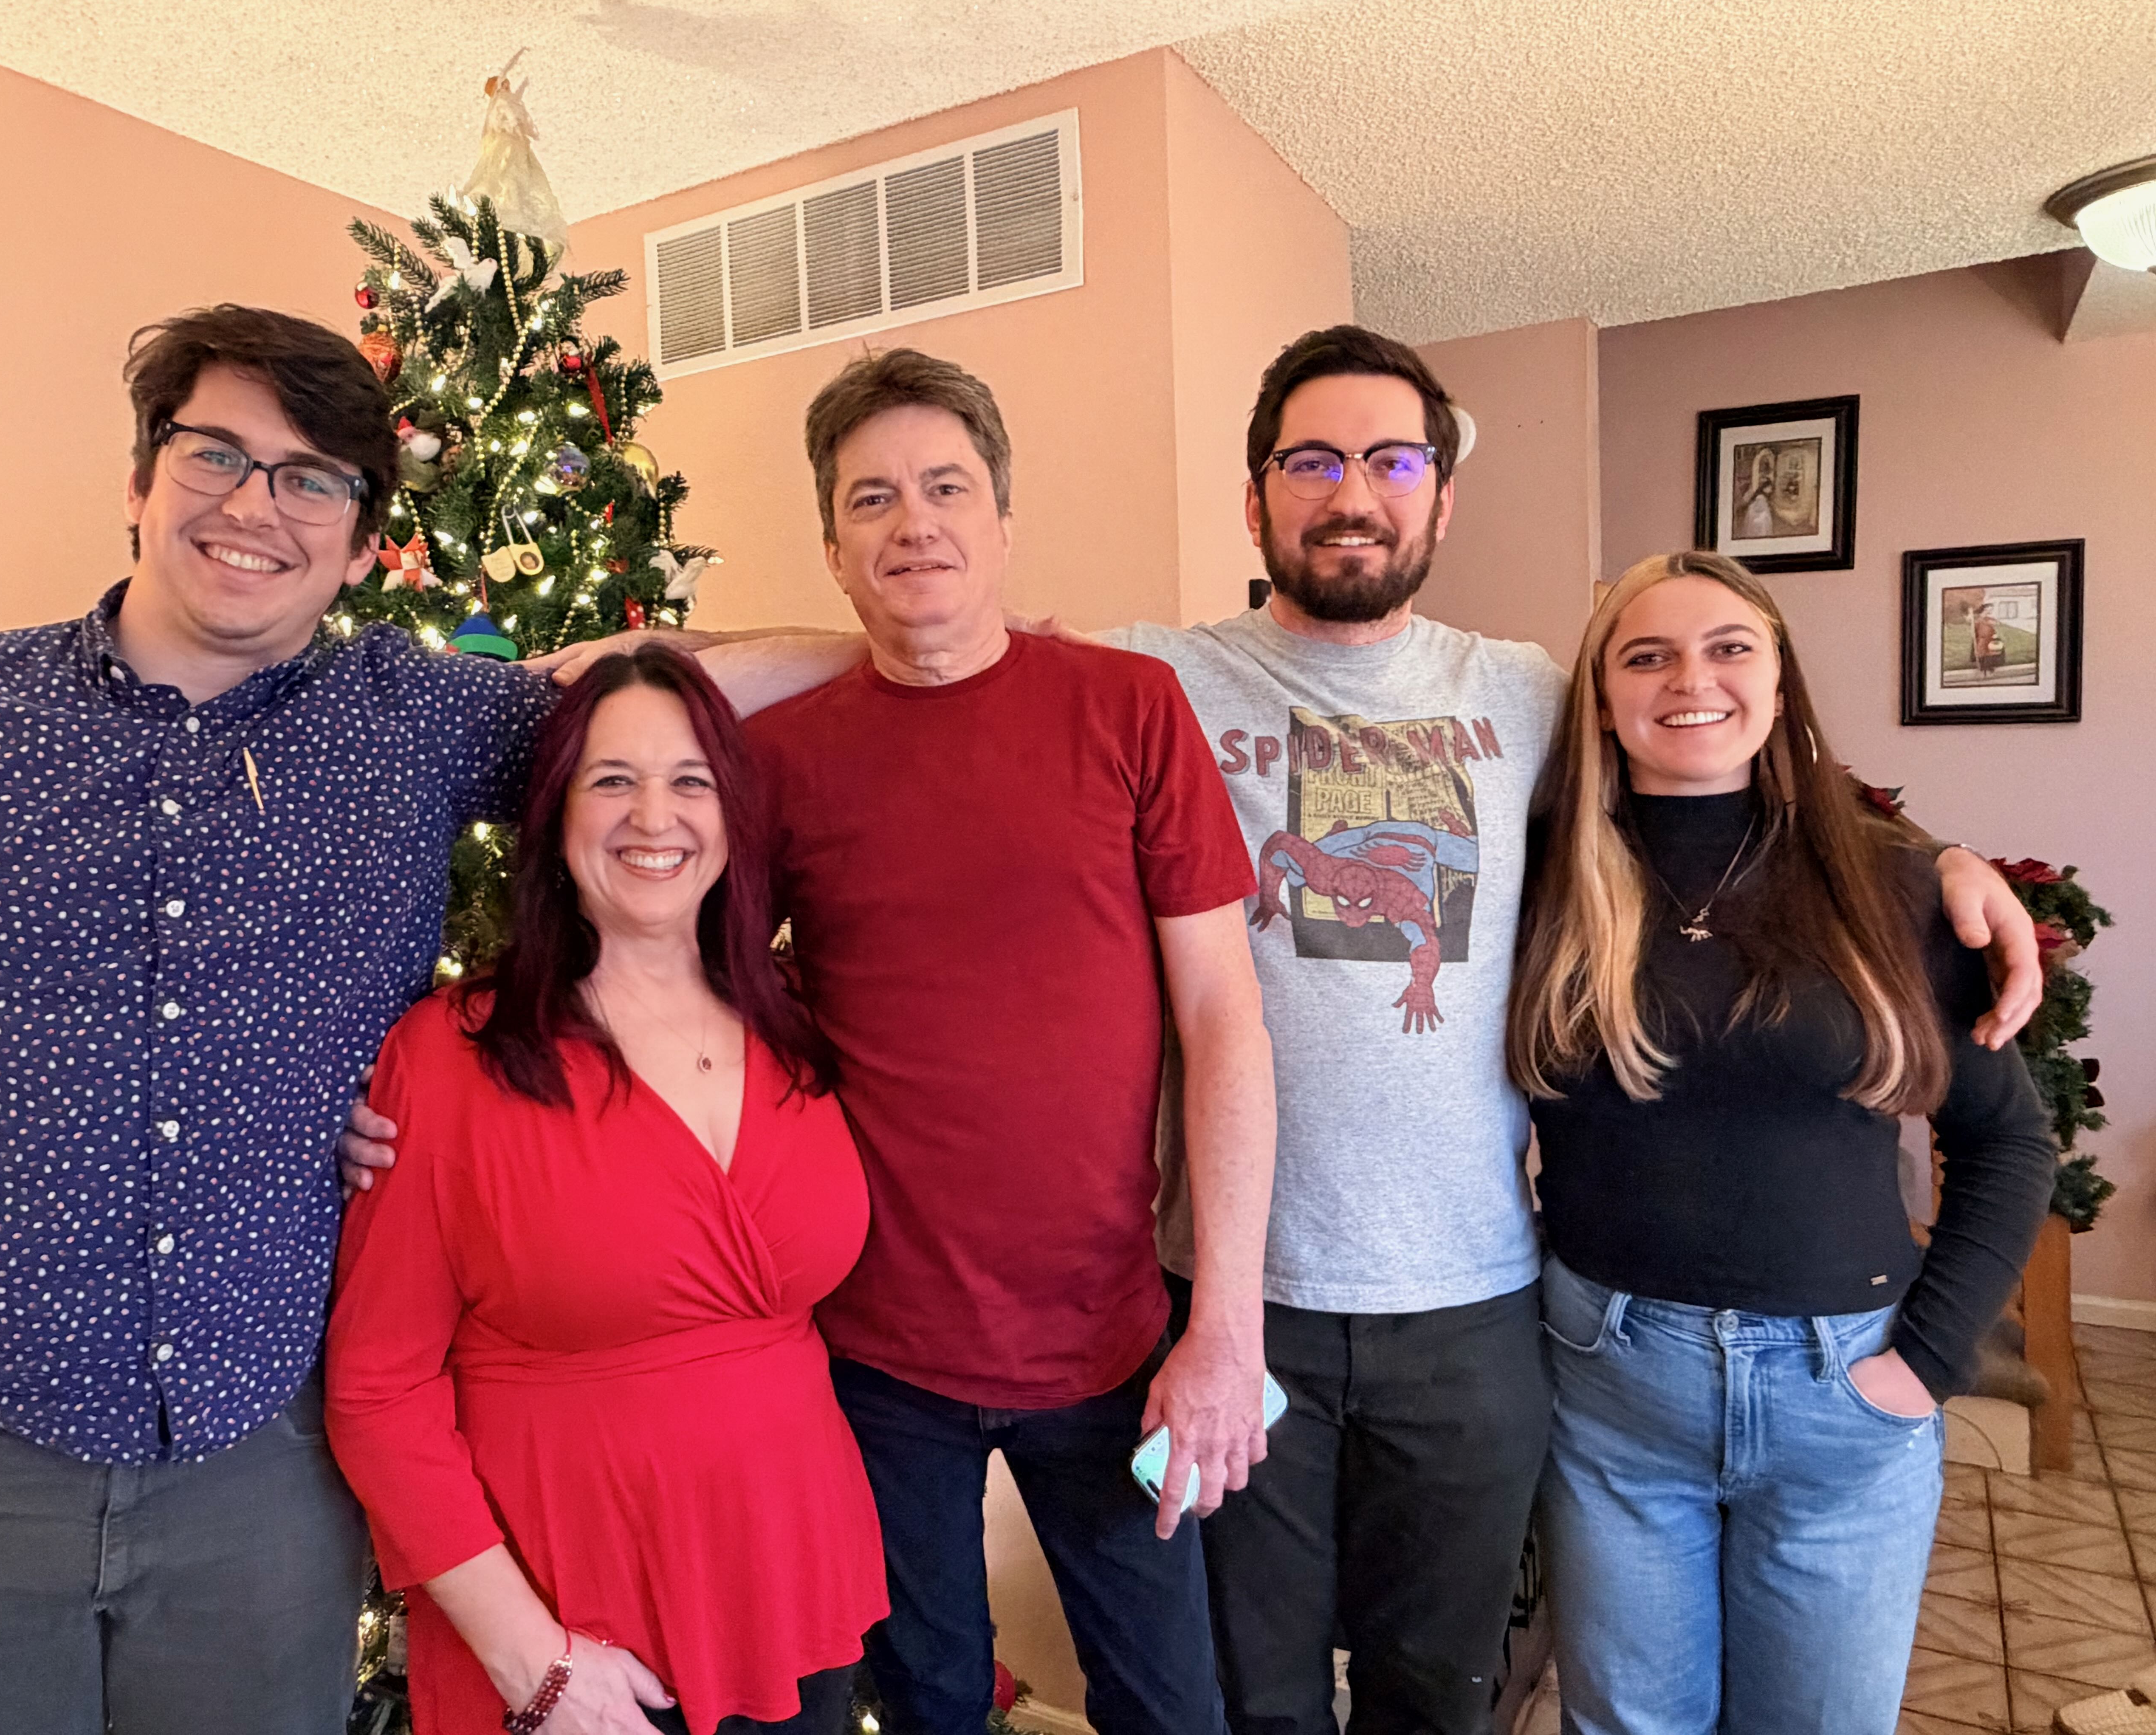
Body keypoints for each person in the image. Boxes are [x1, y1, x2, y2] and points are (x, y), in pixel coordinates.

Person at [356, 330, 2042, 1735]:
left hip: (1389, 1309)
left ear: (1440, 490)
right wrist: (659, 678)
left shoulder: (1522, 686)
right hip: (1060, 1328)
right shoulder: (1155, 675)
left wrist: (1923, 860)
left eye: (1391, 462)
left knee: (1409, 1688)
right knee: (1180, 1694)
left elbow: (1716, 758)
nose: (1354, 493)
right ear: (1261, 494)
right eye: (1315, 461)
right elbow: (841, 725)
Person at [0, 304, 810, 1735]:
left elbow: (677, 710)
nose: (257, 505)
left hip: (264, 1477)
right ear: (138, 481)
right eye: (217, 454)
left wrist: (923, 637)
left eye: (314, 478)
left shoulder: (416, 723)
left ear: (365, 544)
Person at [356, 347, 1281, 1735]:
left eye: (946, 488)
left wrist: (1225, 1319)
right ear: (834, 544)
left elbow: (1224, 1020)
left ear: (1003, 519)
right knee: (927, 1699)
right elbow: (667, 932)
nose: (915, 524)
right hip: (872, 1360)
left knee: (1174, 1703)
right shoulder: (784, 764)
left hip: (1113, 1345)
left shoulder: (1128, 709)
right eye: (872, 500)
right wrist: (396, 1100)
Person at [1508, 551, 2053, 1735]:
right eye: (1644, 654)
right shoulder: (1536, 879)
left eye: (1728, 647)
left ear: (1779, 680)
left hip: (1843, 1392)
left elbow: (2009, 1143)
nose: (1688, 677)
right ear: (1602, 697)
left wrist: (1924, 1364)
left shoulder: (1893, 886)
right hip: (1610, 1385)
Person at [323, 644, 885, 1735]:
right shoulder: (450, 1060)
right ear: (555, 817)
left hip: (791, 1581)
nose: (654, 818)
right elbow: (377, 1394)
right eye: (611, 781)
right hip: (565, 1626)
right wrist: (535, 1658)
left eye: (691, 782)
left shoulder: (798, 1030)